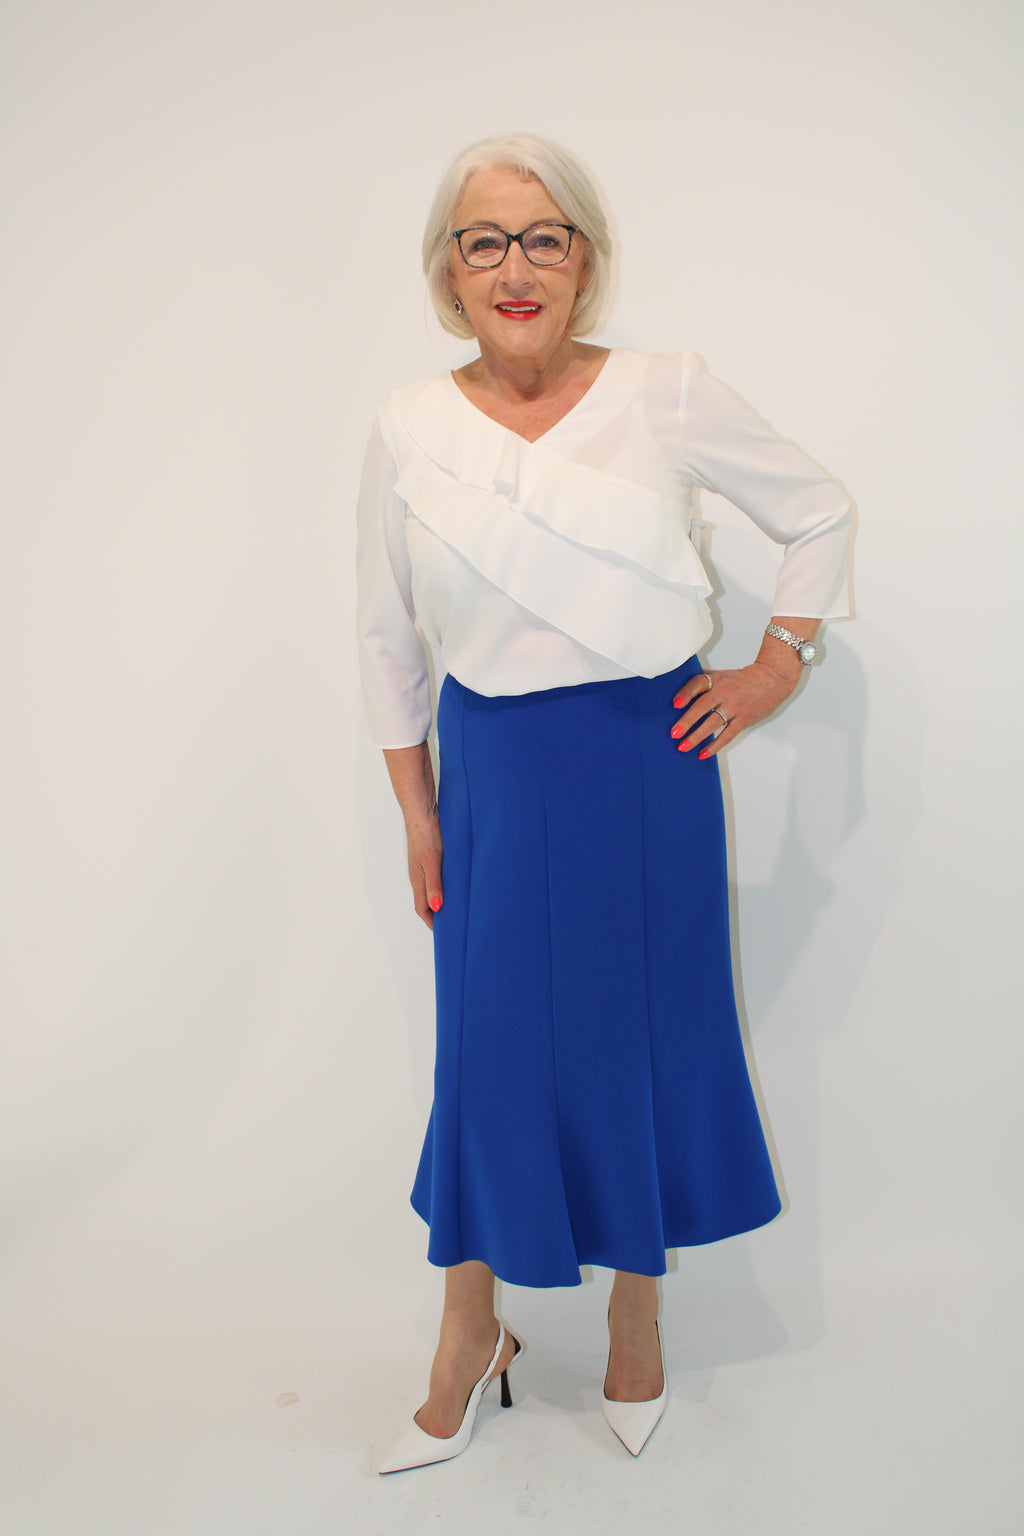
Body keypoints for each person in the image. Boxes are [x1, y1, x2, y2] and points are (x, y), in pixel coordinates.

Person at [356, 132, 853, 1472]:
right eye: (484, 241)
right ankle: (470, 1336)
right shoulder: (407, 425)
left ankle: (640, 1321)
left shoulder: (665, 391)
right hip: (492, 773)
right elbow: (386, 637)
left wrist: (775, 667)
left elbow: (818, 513)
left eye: (544, 237)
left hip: (649, 760)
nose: (514, 267)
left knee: (647, 1035)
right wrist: (419, 813)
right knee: (488, 1054)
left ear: (584, 258)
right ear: (448, 271)